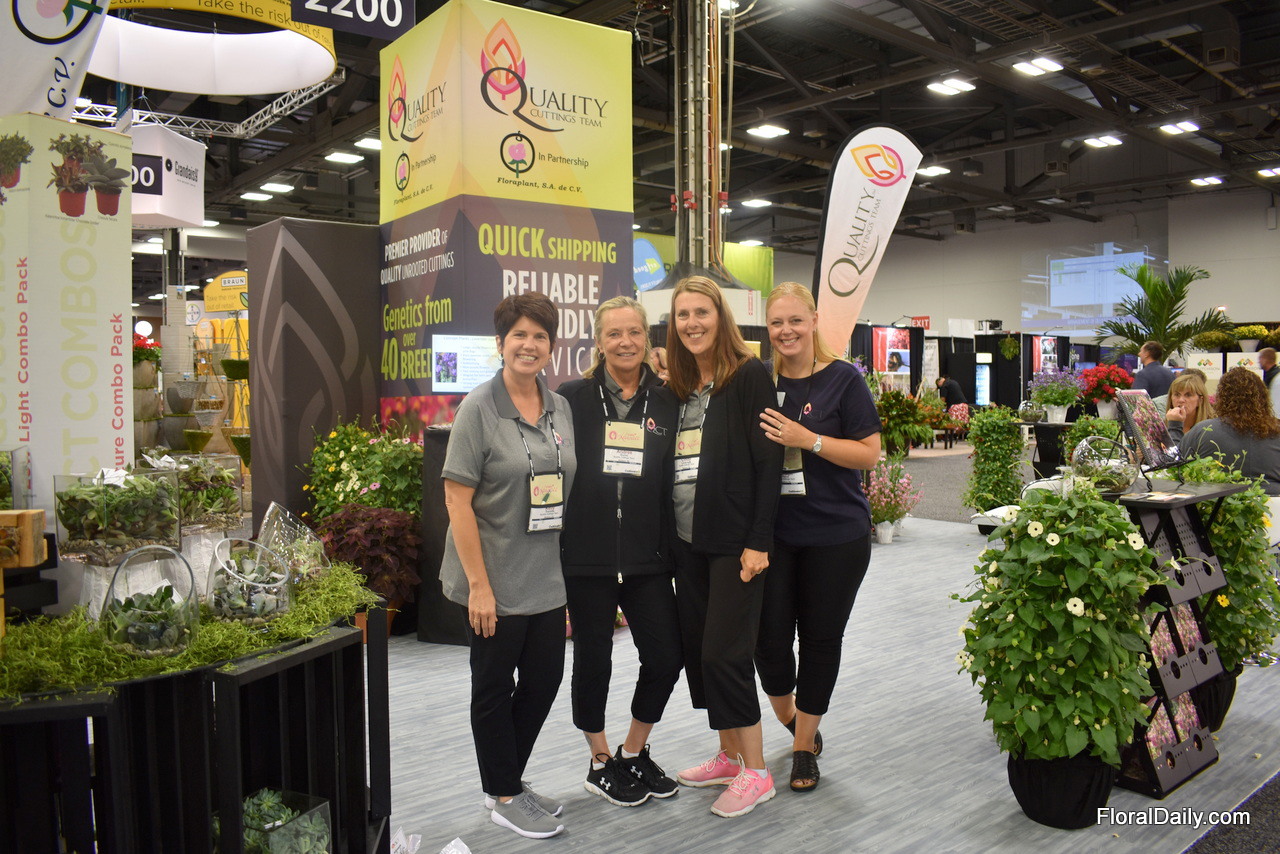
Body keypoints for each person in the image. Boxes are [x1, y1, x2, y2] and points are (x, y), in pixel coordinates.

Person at [439, 292, 577, 839]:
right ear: (500, 343)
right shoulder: (478, 408)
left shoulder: (559, 406)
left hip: (544, 574)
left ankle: (507, 779)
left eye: (540, 336)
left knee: (544, 681)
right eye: (519, 334)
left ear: (551, 346)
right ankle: (502, 793)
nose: (529, 344)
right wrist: (479, 586)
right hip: (491, 576)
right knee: (493, 687)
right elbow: (456, 502)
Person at [754, 282, 882, 793]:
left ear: (812, 321)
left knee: (820, 641)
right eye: (776, 322)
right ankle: (790, 717)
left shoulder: (843, 379)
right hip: (772, 536)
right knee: (768, 642)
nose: (786, 331)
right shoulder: (758, 380)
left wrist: (810, 440)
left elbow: (869, 453)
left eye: (795, 320)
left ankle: (804, 747)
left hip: (835, 535)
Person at [558, 297, 683, 808]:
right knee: (594, 660)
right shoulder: (571, 398)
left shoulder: (669, 400)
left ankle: (633, 751)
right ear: (598, 341)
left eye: (634, 332)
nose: (625, 342)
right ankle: (599, 760)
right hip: (586, 556)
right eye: (614, 333)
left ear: (647, 338)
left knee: (666, 656)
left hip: (647, 555)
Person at [665, 275, 783, 818]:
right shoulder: (682, 385)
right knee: (700, 651)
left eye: (701, 313)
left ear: (721, 317)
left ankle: (757, 772)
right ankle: (730, 756)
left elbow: (768, 462)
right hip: (687, 540)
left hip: (735, 543)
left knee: (726, 653)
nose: (692, 323)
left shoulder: (748, 375)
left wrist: (759, 540)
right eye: (683, 315)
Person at [1179, 367, 1280, 495]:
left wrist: (1174, 426)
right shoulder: (1277, 430)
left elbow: (1175, 467)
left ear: (1221, 398)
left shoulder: (1202, 431)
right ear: (1263, 398)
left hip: (1217, 503)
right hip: (1273, 502)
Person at [1163, 371, 1215, 443]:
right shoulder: (1162, 427)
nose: (1181, 400)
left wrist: (1175, 424)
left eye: (1188, 395)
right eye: (1177, 395)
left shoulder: (1211, 428)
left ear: (1200, 400)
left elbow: (1177, 450)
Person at [1260, 347, 1280, 417]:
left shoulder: (1275, 378)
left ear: (1265, 359)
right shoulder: (1271, 375)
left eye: (1260, 358)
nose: (1258, 361)